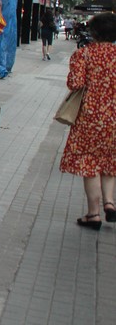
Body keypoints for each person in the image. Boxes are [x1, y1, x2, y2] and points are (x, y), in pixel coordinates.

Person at [59, 12, 116, 229]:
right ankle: (109, 202)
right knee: (110, 160)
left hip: (90, 118)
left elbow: (75, 83)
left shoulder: (84, 55)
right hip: (115, 118)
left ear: (93, 32)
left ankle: (93, 214)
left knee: (89, 164)